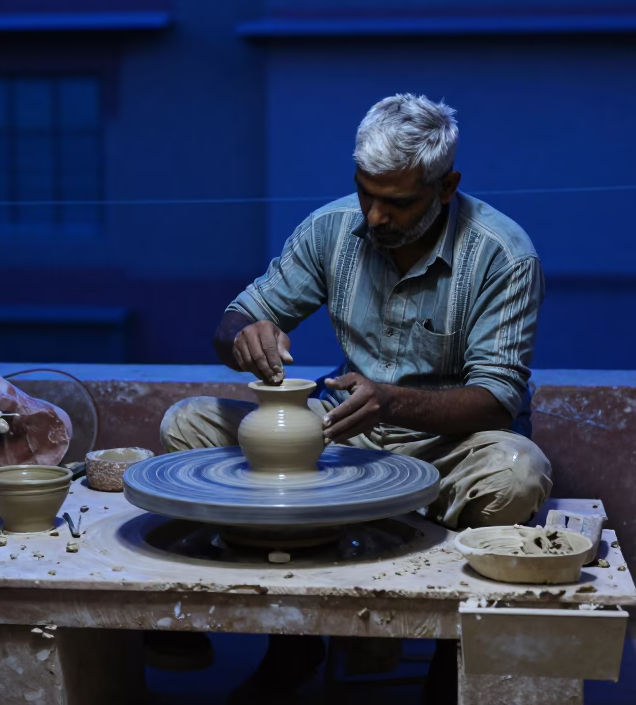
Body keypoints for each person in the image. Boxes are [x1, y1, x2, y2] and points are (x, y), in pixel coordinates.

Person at [157, 93, 553, 703]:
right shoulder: (331, 229)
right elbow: (234, 318)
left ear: (447, 187)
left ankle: (449, 660)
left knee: (518, 473)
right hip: (345, 429)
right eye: (366, 193)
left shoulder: (503, 254)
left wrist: (393, 402)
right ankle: (288, 642)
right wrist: (246, 335)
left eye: (397, 202)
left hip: (452, 444)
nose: (374, 216)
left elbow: (497, 399)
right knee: (187, 425)